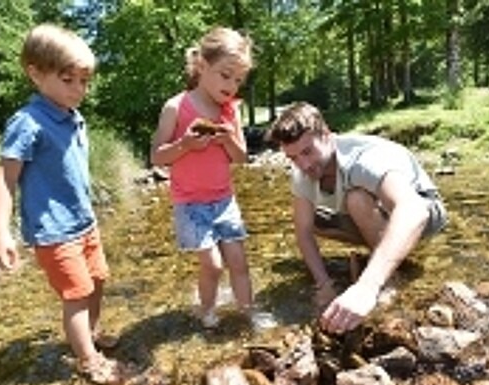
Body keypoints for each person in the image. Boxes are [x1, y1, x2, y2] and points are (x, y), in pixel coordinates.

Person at [0, 23, 128, 385]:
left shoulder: (72, 116)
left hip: (84, 222)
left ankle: (91, 336)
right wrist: (1, 231)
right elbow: (5, 178)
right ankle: (87, 360)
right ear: (35, 74)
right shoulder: (28, 123)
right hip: (54, 231)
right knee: (77, 294)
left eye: (84, 81)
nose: (79, 90)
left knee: (97, 281)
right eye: (69, 80)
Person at [267, 102, 448, 334]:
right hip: (380, 214)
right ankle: (384, 252)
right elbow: (303, 231)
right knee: (315, 220)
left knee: (356, 199)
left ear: (327, 136)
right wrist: (324, 284)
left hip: (424, 211)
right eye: (293, 158)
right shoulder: (302, 171)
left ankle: (388, 276)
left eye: (307, 151)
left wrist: (367, 287)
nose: (304, 165)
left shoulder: (364, 161)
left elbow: (414, 210)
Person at [150, 27, 276, 330]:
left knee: (239, 263)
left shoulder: (229, 111)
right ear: (202, 66)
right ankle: (207, 312)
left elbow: (241, 157)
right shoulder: (177, 106)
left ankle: (248, 312)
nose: (232, 85)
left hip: (224, 200)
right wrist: (185, 146)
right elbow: (156, 156)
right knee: (213, 264)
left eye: (238, 80)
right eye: (225, 75)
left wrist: (228, 139)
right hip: (190, 203)